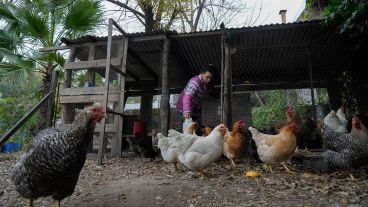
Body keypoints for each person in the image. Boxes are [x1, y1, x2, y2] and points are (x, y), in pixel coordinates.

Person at [176, 64, 217, 129]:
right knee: (188, 129)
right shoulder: (195, 82)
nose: (209, 80)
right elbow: (187, 97)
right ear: (202, 73)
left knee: (196, 126)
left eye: (211, 78)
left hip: (193, 108)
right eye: (207, 77)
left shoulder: (205, 85)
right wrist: (186, 110)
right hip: (183, 107)